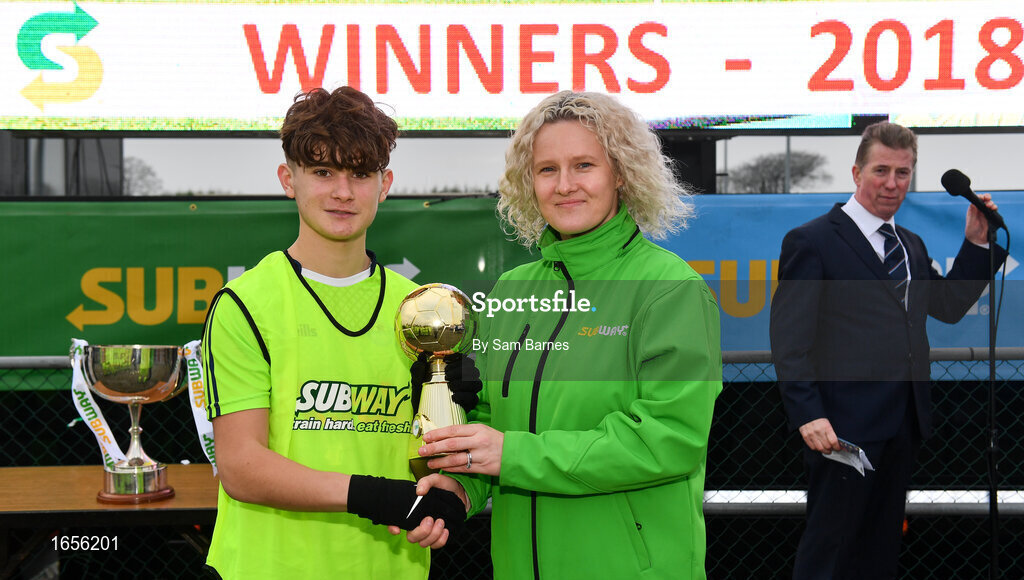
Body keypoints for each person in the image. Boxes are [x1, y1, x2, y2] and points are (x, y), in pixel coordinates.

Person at [410, 91, 723, 579]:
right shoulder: (513, 290)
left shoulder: (671, 289)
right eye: (547, 169)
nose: (565, 185)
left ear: (621, 173)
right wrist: (457, 486)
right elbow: (492, 418)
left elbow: (667, 440)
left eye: (584, 165)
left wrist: (510, 454)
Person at [199, 86, 469, 580]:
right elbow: (240, 466)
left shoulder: (422, 310)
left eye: (360, 173)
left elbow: (430, 455)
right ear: (289, 179)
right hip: (270, 568)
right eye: (323, 171)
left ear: (384, 184)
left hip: (391, 568)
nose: (342, 192)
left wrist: (449, 484)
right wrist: (372, 495)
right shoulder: (245, 304)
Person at [769, 121, 1008, 580]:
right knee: (830, 551)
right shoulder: (813, 240)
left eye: (903, 172)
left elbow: (948, 306)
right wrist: (807, 414)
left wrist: (977, 243)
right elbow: (789, 339)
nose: (892, 183)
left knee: (878, 554)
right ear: (856, 172)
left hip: (902, 423)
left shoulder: (911, 245)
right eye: (881, 170)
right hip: (841, 430)